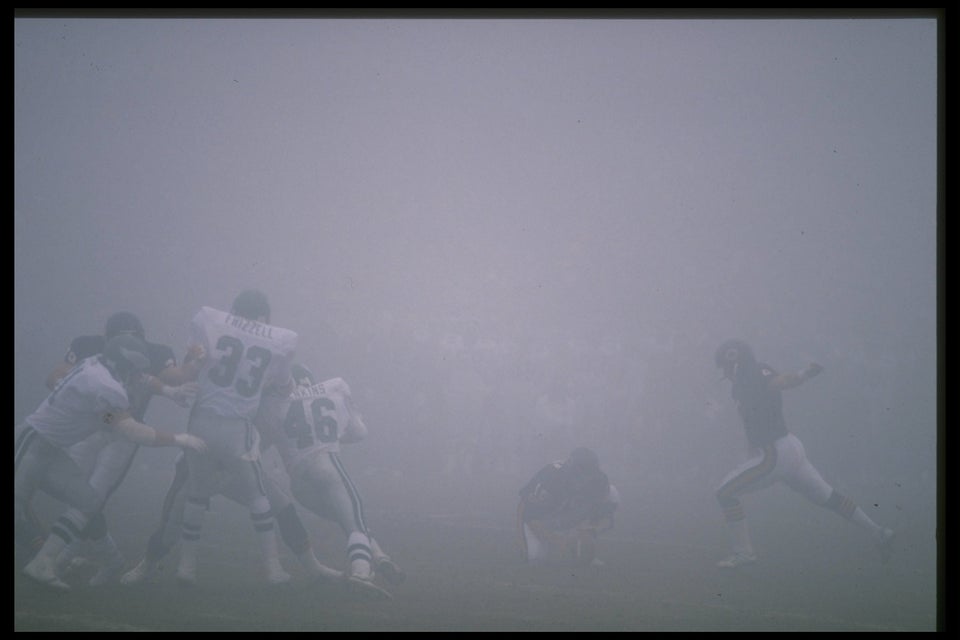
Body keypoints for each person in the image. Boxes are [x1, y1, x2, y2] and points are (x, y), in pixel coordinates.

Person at [15, 333, 207, 591]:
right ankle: (46, 555)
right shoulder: (106, 386)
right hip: (30, 444)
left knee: (88, 501)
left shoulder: (96, 364)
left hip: (51, 452)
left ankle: (44, 562)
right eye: (134, 370)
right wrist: (180, 438)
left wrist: (170, 391)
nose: (138, 376)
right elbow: (133, 431)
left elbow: (122, 399)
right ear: (123, 366)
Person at [712, 339, 896, 568]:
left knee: (725, 492)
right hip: (790, 448)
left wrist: (803, 374)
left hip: (774, 454)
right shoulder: (751, 375)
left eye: (726, 367)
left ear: (735, 360)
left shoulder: (752, 376)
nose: (726, 373)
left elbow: (782, 381)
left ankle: (744, 552)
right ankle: (878, 532)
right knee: (828, 497)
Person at [174, 289, 299, 586]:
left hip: (201, 419)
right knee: (258, 495)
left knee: (196, 493)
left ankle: (186, 566)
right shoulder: (279, 340)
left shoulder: (210, 322)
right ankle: (272, 568)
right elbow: (283, 387)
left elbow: (191, 363)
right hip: (237, 427)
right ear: (263, 315)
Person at [259, 364, 404, 599]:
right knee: (354, 518)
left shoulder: (269, 404)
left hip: (299, 481)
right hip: (326, 465)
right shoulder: (331, 390)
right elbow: (359, 433)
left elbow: (261, 444)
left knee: (344, 517)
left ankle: (379, 556)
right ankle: (361, 570)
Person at [119, 446, 344, 587]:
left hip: (240, 470)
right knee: (170, 527)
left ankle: (313, 567)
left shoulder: (267, 403)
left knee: (284, 507)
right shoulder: (225, 393)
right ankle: (147, 564)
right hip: (199, 468)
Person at [517, 447, 620, 567]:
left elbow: (607, 517)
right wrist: (558, 541)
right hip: (545, 519)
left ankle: (584, 553)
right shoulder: (551, 478)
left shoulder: (599, 482)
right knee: (536, 558)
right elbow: (528, 514)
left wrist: (591, 531)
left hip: (570, 518)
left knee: (613, 492)